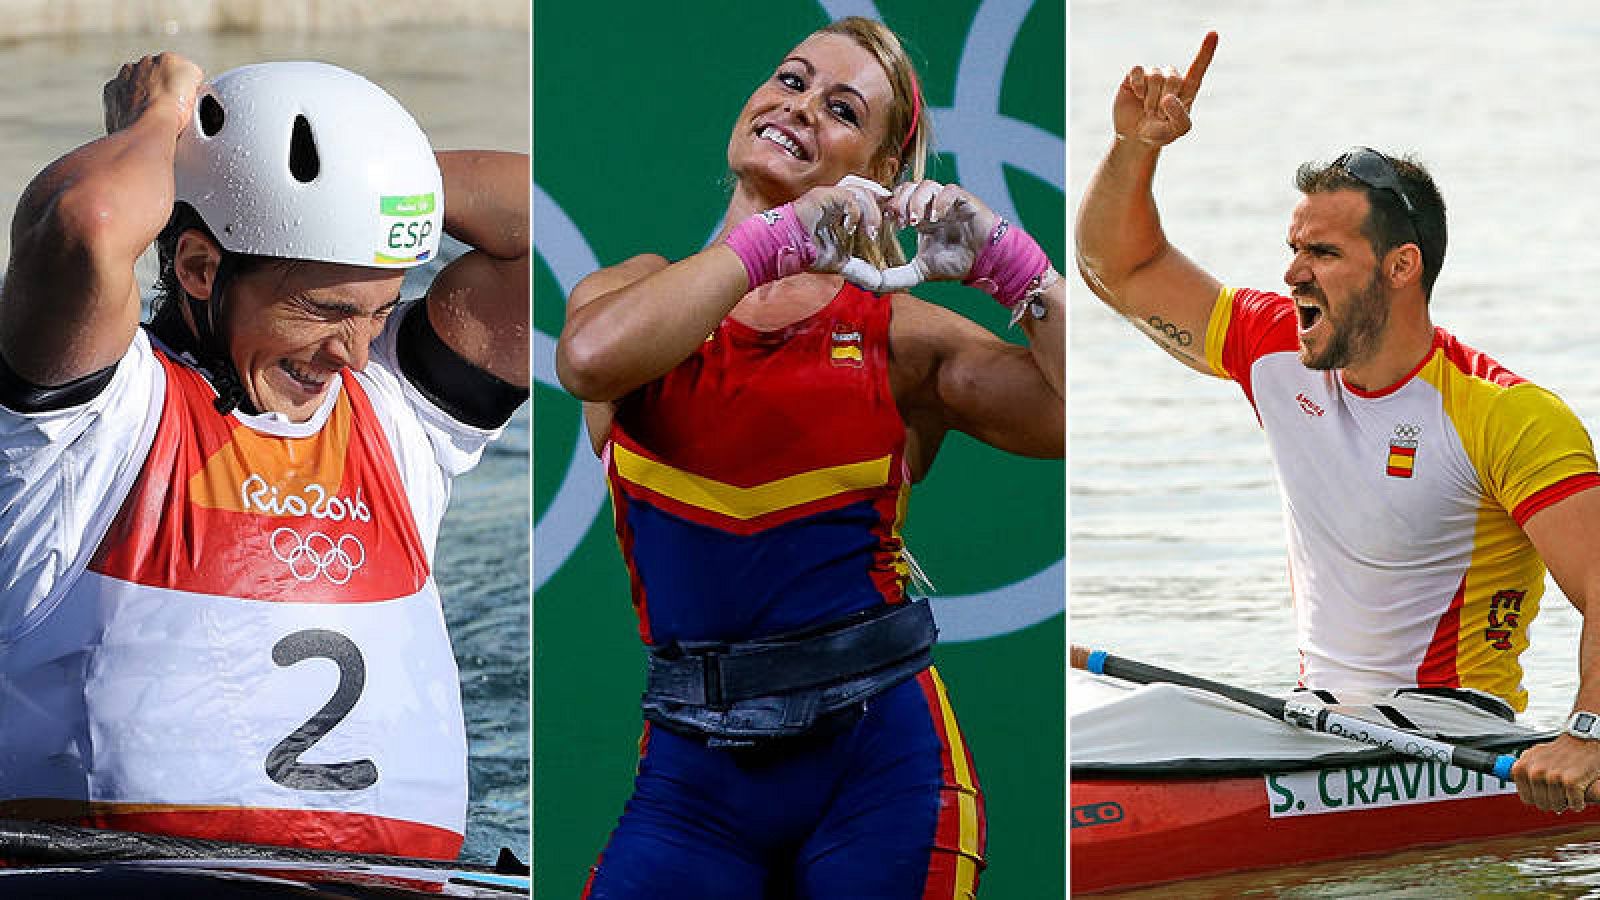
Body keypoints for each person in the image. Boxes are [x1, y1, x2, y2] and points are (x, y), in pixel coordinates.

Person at [557, 16, 1063, 898]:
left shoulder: (901, 339)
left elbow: (1079, 415)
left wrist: (1020, 272)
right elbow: (588, 363)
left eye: (840, 109)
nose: (798, 109)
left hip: (883, 768)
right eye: (791, 81)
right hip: (692, 775)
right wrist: (764, 247)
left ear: (879, 177)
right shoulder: (630, 294)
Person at [0, 53, 529, 858]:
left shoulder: (395, 413)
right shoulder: (87, 428)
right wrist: (159, 124)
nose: (353, 354)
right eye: (324, 309)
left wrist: (357, 187)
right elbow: (89, 222)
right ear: (200, 269)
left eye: (380, 311)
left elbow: (543, 238)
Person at [1077, 32, 1600, 816]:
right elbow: (1118, 270)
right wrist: (1132, 147)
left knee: (1123, 732)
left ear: (1401, 268)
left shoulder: (1505, 414)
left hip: (1451, 733)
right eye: (1292, 248)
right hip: (1316, 721)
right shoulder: (1272, 350)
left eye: (1321, 251)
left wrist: (1587, 733)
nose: (1291, 273)